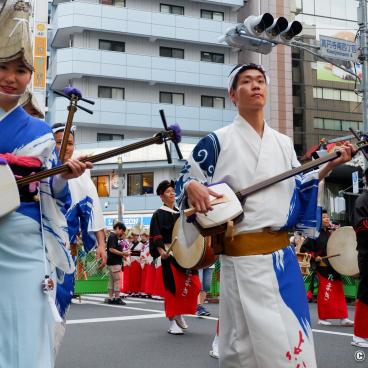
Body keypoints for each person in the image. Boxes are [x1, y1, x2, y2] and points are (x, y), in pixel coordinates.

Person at [175, 63, 354, 367]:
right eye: (246, 82)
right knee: (242, 347)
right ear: (233, 94)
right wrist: (192, 185)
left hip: (282, 260)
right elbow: (182, 181)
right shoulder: (216, 141)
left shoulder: (282, 143)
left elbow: (298, 188)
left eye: (260, 80)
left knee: (290, 341)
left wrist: (327, 167)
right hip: (241, 260)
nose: (256, 85)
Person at [0, 1, 92, 366]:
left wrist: (63, 176)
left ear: (30, 75)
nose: (11, 77)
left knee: (27, 326)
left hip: (23, 237)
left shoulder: (39, 131)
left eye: (21, 69)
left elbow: (54, 196)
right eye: (3, 67)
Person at [52, 123, 107, 330]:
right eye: (59, 142)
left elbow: (95, 210)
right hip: (39, 246)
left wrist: (101, 244)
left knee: (60, 305)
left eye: (70, 143)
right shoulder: (41, 166)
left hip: (66, 250)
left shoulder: (82, 174)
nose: (65, 147)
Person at [150, 180, 201, 335]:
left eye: (173, 191)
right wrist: (161, 251)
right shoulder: (158, 214)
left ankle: (179, 314)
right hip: (168, 254)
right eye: (168, 191)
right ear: (161, 196)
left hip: (183, 254)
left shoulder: (180, 213)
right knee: (172, 288)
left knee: (194, 284)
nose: (172, 193)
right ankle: (172, 320)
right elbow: (155, 235)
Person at [301, 210, 353, 326]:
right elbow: (304, 249)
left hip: (334, 266)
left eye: (327, 217)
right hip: (323, 267)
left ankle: (343, 317)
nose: (326, 219)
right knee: (325, 292)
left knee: (338, 292)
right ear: (319, 219)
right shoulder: (314, 234)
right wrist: (315, 257)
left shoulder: (331, 233)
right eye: (324, 217)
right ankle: (323, 317)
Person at [352, 177, 368, 348]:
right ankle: (359, 335)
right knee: (366, 292)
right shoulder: (362, 200)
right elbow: (362, 226)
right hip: (367, 254)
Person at [106, 222, 129, 305]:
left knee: (112, 280)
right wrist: (123, 254)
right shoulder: (113, 237)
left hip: (111, 261)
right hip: (114, 261)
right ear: (118, 228)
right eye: (122, 231)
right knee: (117, 280)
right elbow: (111, 249)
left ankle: (110, 298)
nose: (122, 233)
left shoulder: (112, 237)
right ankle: (117, 298)